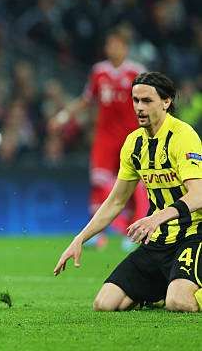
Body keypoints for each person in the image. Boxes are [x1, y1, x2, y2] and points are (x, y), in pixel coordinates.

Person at [54, 72, 202, 312]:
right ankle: (163, 291)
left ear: (166, 102)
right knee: (105, 304)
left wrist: (156, 217)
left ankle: (173, 291)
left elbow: (198, 195)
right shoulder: (134, 143)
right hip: (158, 241)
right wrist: (80, 239)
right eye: (135, 100)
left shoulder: (183, 137)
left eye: (147, 101)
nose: (139, 108)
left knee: (180, 302)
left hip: (193, 235)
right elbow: (115, 202)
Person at [50, 28, 148, 250]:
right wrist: (63, 116)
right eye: (109, 44)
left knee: (135, 186)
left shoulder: (137, 72)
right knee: (98, 183)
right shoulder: (99, 71)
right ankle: (97, 233)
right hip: (104, 138)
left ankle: (134, 231)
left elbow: (151, 103)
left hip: (132, 139)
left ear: (125, 47)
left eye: (116, 44)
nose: (111, 49)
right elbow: (86, 100)